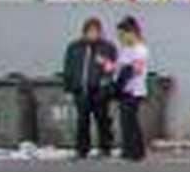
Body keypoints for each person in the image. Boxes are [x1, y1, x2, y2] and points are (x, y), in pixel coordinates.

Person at [58, 17, 117, 159]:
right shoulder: (74, 47)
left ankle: (105, 147)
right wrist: (68, 88)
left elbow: (112, 68)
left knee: (102, 119)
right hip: (81, 89)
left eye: (96, 31)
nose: (93, 34)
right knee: (82, 120)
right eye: (90, 32)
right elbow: (68, 68)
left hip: (99, 90)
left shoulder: (107, 47)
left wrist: (106, 82)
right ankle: (82, 149)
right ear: (84, 32)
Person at [113, 15, 152, 162]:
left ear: (131, 33)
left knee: (131, 121)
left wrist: (123, 73)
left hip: (135, 90)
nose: (120, 38)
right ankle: (129, 149)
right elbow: (119, 67)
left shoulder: (141, 50)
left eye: (122, 35)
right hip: (124, 89)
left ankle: (136, 151)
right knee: (125, 121)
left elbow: (136, 69)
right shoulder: (125, 50)